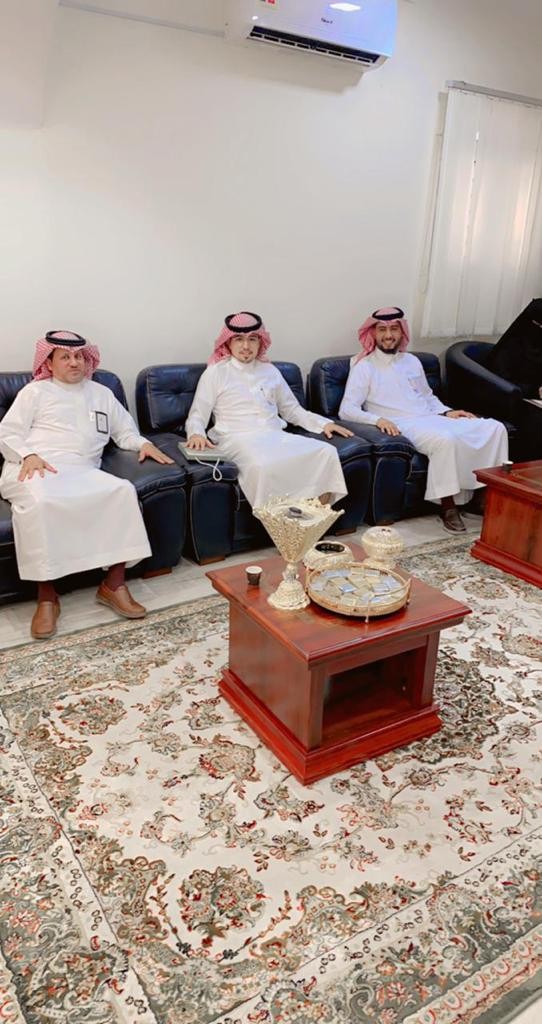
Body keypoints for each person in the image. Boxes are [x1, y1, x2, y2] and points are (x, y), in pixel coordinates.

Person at [0, 331, 174, 639]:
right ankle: (47, 597)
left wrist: (143, 444)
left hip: (82, 470)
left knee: (121, 491)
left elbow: (125, 431)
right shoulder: (34, 392)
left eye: (79, 356)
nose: (74, 362)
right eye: (65, 357)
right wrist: (28, 455)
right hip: (36, 466)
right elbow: (7, 433)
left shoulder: (101, 393)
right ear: (49, 363)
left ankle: (114, 585)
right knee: (42, 502)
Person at [338, 307, 508, 533]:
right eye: (382, 330)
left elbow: (427, 396)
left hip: (430, 417)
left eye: (394, 329)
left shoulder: (412, 361)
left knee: (494, 427)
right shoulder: (364, 367)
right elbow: (347, 410)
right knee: (444, 440)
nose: (388, 335)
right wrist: (377, 420)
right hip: (401, 423)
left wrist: (447, 412)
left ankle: (481, 497)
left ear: (402, 332)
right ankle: (448, 506)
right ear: (373, 333)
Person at [185, 311, 353, 508]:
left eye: (252, 339)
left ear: (260, 342)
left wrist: (324, 424)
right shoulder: (215, 373)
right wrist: (196, 434)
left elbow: (291, 409)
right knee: (262, 465)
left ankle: (314, 519)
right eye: (239, 339)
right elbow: (197, 415)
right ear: (228, 342)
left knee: (326, 452)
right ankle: (276, 523)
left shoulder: (270, 371)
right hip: (236, 439)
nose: (246, 346)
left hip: (275, 435)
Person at [487, 298, 542, 398]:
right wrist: (535, 391)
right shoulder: (511, 347)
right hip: (511, 402)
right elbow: (501, 384)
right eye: (540, 325)